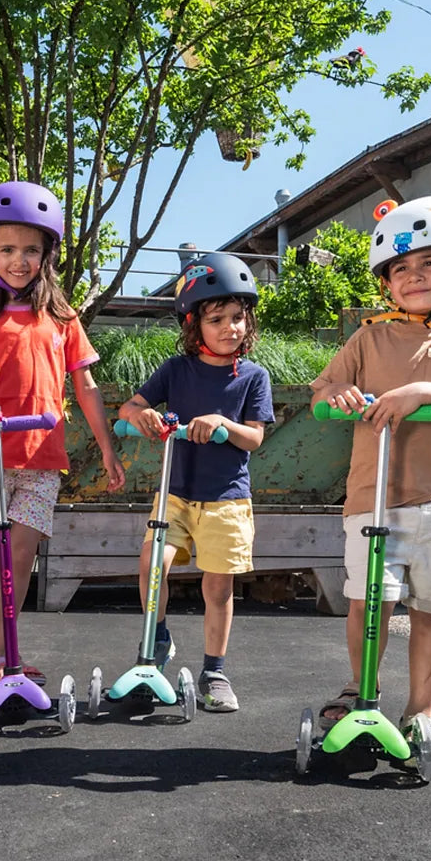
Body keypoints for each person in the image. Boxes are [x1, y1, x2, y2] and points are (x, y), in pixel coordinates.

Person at [310, 175, 431, 770]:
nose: (413, 275)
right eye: (399, 268)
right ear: (385, 282)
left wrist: (421, 390)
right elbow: (323, 390)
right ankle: (359, 692)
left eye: (430, 263)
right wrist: (339, 393)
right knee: (367, 603)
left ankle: (420, 710)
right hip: (373, 500)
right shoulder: (366, 340)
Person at [0, 180, 125, 688]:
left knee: (21, 554)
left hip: (43, 457)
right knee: (0, 554)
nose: (18, 260)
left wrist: (107, 449)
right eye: (7, 249)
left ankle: (0, 653)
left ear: (47, 254)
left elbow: (85, 386)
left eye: (30, 249)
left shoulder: (62, 318)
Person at [117, 252, 274, 712]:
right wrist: (142, 414)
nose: (231, 327)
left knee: (218, 588)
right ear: (194, 325)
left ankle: (215, 670)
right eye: (218, 319)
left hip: (226, 500)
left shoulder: (253, 377)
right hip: (177, 494)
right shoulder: (175, 370)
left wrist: (219, 422)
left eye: (238, 318)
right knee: (152, 564)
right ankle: (157, 641)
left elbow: (255, 438)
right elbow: (129, 409)